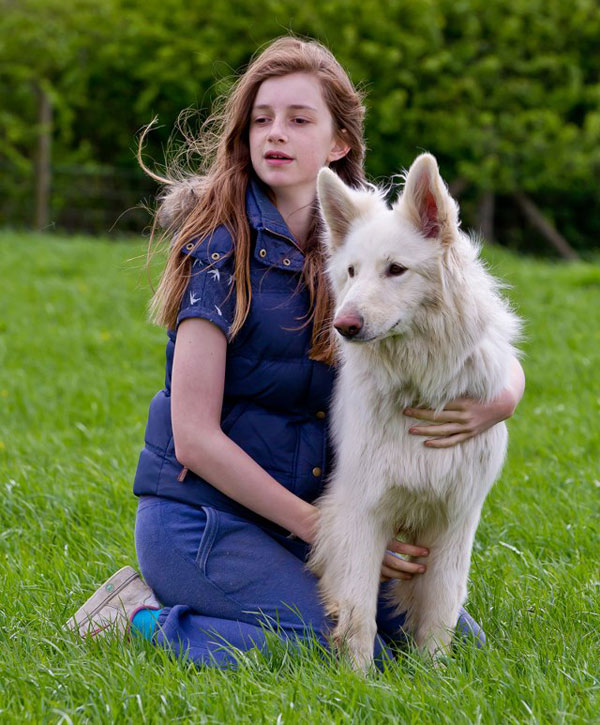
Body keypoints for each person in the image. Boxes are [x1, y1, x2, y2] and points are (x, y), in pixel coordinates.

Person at [66, 36, 525, 667]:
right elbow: (193, 438)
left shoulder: (362, 243)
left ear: (339, 143)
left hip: (303, 517)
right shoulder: (219, 254)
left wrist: (501, 398)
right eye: (261, 119)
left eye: (298, 119)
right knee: (320, 647)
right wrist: (334, 533)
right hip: (205, 521)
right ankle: (134, 617)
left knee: (447, 646)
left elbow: (467, 330)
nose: (274, 133)